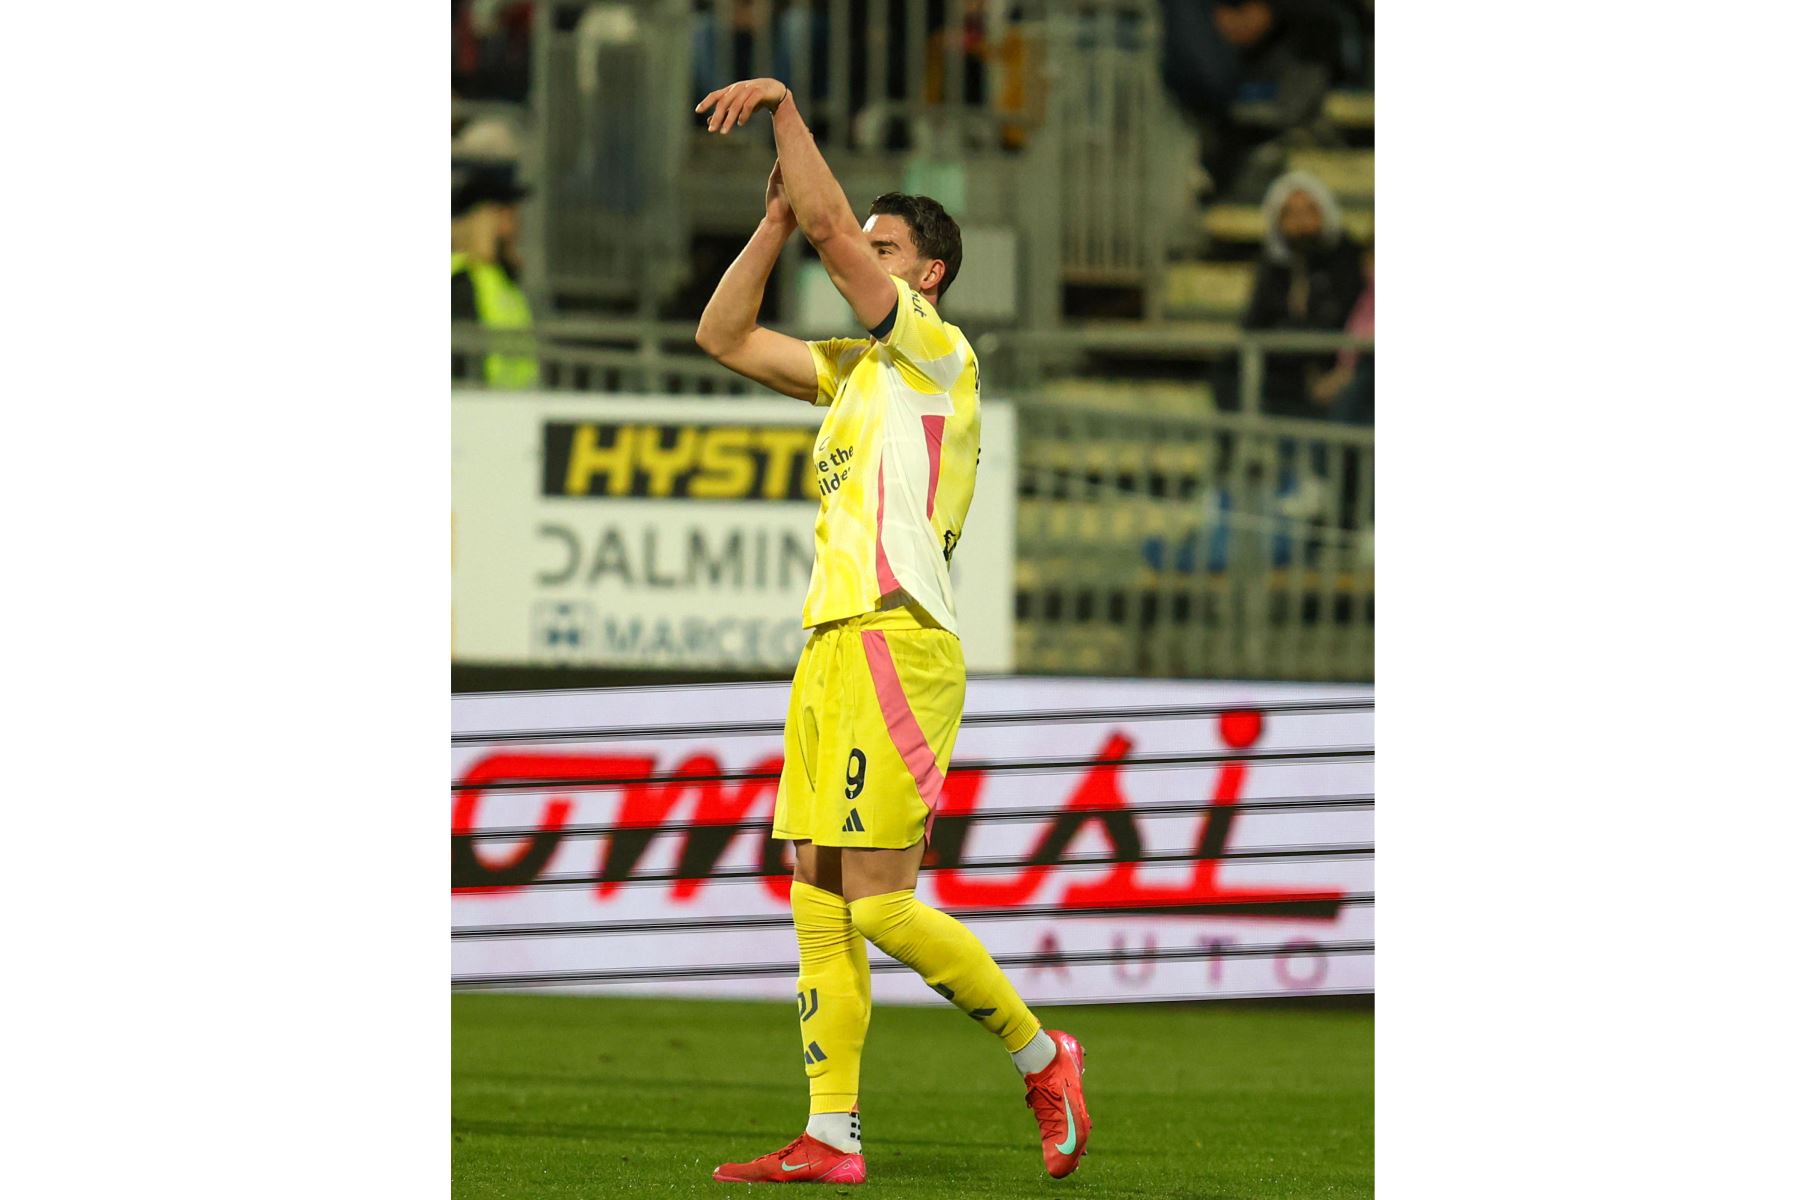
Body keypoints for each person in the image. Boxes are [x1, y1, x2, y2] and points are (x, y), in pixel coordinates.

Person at [691, 75, 1092, 1185]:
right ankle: (830, 1135)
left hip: (895, 637)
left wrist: (783, 110)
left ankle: (1042, 1052)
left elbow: (830, 223)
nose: (857, 251)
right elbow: (721, 332)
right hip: (829, 646)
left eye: (883, 245)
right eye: (859, 239)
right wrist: (770, 219)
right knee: (819, 893)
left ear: (928, 273)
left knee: (877, 900)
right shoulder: (855, 374)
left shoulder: (935, 353)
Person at [1240, 169, 1364, 417]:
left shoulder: (1345, 257)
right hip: (1283, 376)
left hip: (1337, 371)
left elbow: (1342, 319)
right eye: (1291, 214)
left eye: (1309, 211)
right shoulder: (1273, 264)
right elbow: (1254, 323)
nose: (1302, 223)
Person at [450, 166, 537, 388]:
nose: (516, 226)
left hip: (511, 410)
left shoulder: (502, 279)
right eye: (507, 214)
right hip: (477, 410)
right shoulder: (460, 281)